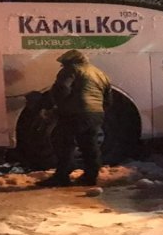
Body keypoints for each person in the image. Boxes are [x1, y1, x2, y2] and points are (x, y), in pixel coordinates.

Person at [39, 49, 112, 187]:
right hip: (96, 114)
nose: (61, 66)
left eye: (63, 64)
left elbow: (61, 88)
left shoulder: (71, 69)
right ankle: (90, 177)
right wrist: (97, 111)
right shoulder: (99, 72)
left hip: (75, 112)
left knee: (63, 142)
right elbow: (108, 98)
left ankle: (62, 176)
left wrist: (56, 106)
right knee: (89, 145)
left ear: (69, 61)